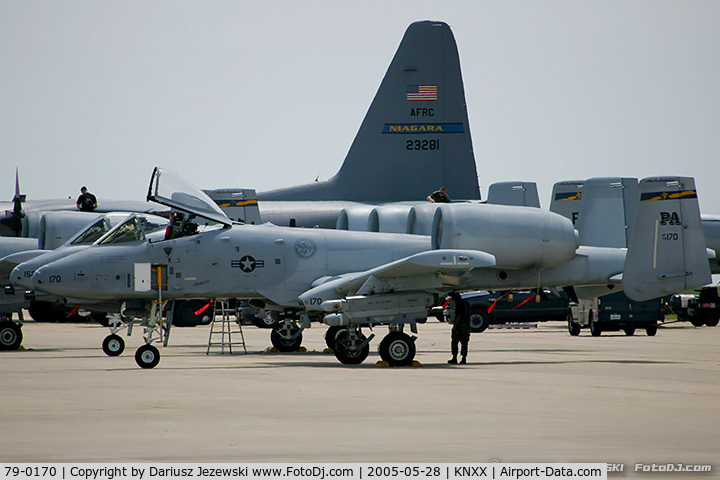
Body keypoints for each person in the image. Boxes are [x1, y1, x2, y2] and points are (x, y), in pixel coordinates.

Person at [448, 292, 471, 364]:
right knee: (464, 343)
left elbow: (458, 315)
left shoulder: (459, 304)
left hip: (460, 325)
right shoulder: (466, 303)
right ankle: (463, 358)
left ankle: (454, 358)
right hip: (466, 325)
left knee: (455, 342)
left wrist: (455, 326)